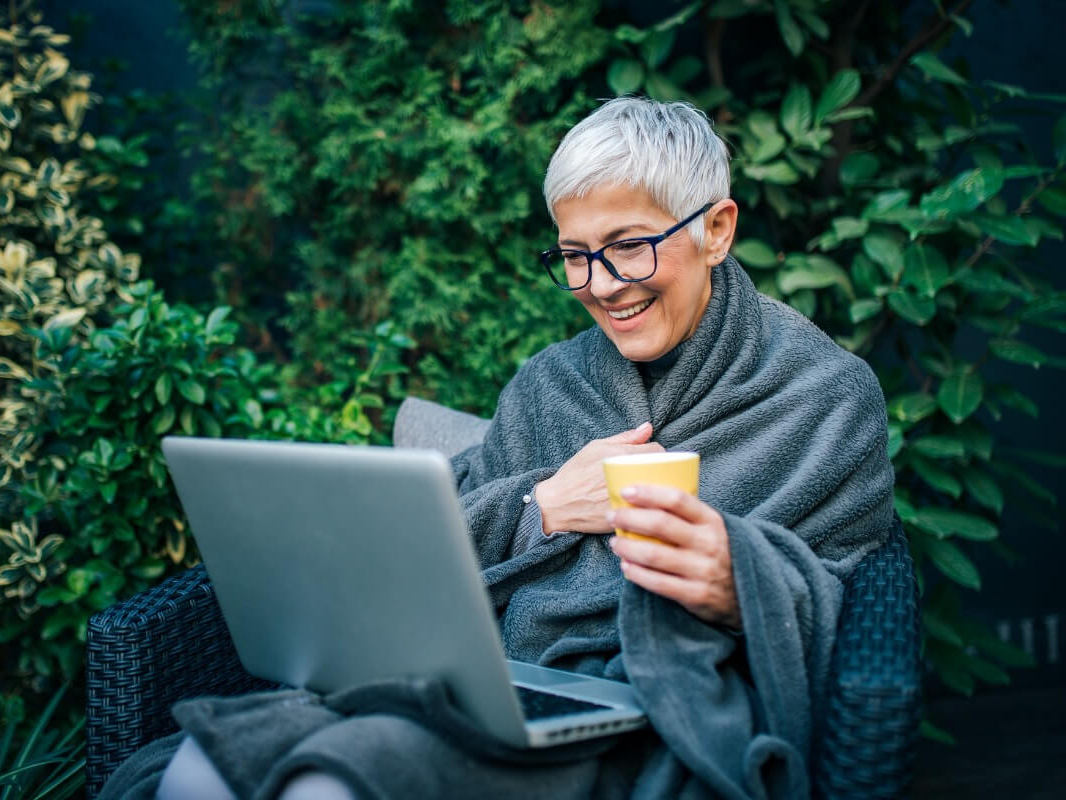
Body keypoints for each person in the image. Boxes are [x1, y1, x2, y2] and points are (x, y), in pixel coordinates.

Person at [112, 96, 894, 800]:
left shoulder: (822, 396)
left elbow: (859, 605)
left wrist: (740, 583)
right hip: (491, 685)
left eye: (628, 245)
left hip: (658, 713)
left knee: (329, 780)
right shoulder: (549, 384)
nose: (603, 283)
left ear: (716, 229)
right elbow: (429, 539)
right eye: (574, 255)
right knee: (198, 770)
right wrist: (542, 509)